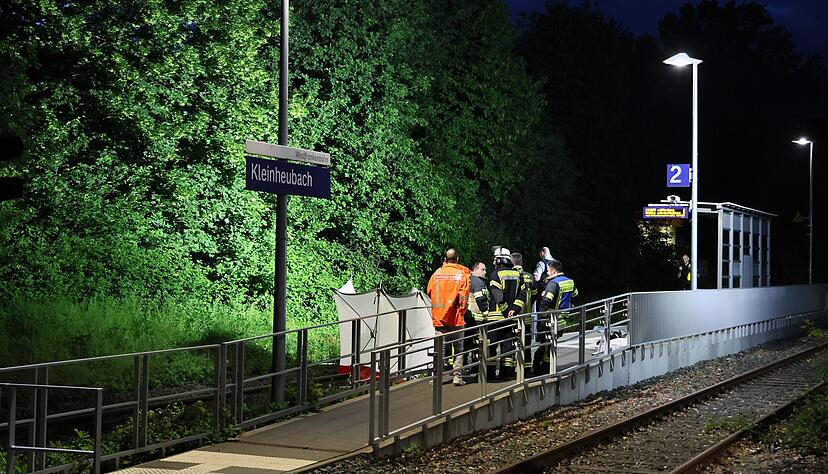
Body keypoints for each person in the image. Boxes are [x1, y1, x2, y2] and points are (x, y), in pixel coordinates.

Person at [427, 248, 471, 386]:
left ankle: (437, 378)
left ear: (445, 260)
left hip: (439, 317)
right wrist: (462, 311)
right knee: (458, 348)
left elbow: (429, 292)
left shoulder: (436, 274)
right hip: (456, 318)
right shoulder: (462, 274)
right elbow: (463, 298)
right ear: (457, 259)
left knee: (439, 348)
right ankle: (457, 377)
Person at [486, 247, 527, 381]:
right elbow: (522, 294)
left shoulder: (495, 274)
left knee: (491, 347)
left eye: (495, 259)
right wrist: (514, 310)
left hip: (496, 318)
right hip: (512, 317)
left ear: (499, 260)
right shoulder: (518, 274)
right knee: (507, 347)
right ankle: (506, 374)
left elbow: (498, 297)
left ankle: (490, 375)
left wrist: (505, 311)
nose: (493, 262)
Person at [536, 260, 579, 373]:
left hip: (551, 319)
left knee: (547, 345)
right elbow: (575, 296)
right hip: (563, 319)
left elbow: (546, 301)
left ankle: (544, 369)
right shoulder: (570, 282)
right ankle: (543, 366)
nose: (547, 272)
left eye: (548, 270)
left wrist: (542, 315)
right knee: (550, 344)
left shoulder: (553, 284)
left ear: (553, 270)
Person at [511, 252, 535, 374]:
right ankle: (526, 369)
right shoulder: (529, 276)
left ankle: (510, 369)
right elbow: (535, 294)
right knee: (526, 344)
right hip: (527, 316)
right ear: (522, 262)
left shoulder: (510, 275)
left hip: (512, 316)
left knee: (510, 344)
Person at [464, 261, 489, 377]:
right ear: (475, 270)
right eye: (482, 269)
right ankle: (475, 368)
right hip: (477, 318)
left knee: (466, 344)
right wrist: (486, 312)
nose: (485, 272)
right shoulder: (477, 282)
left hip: (468, 318)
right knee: (477, 344)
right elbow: (480, 299)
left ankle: (463, 367)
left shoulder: (467, 280)